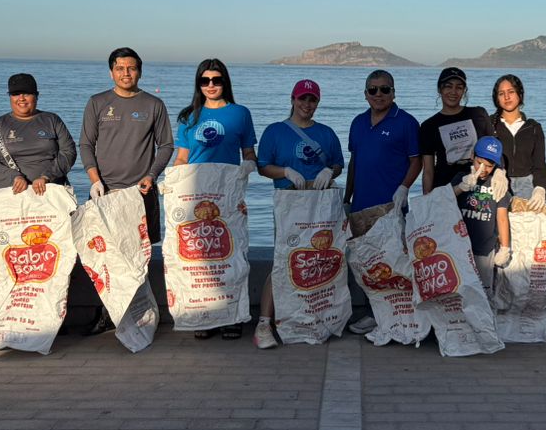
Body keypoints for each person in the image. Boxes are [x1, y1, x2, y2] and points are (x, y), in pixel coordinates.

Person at [252, 79, 345, 350]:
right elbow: (262, 166)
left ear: (318, 103)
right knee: (283, 261)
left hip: (320, 206)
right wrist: (285, 172)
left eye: (312, 100)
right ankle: (264, 324)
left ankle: (311, 315)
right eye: (302, 98)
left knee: (318, 260)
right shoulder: (275, 132)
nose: (307, 104)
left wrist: (331, 171)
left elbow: (337, 163)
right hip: (289, 204)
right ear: (293, 99)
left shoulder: (326, 133)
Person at [169, 59, 257, 339]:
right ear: (198, 84)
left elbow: (249, 153)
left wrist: (249, 166)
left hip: (228, 196)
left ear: (224, 82)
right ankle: (205, 316)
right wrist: (171, 183)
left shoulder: (240, 114)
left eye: (216, 80)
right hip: (195, 195)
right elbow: (182, 157)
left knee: (232, 253)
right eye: (204, 80)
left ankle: (232, 316)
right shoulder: (188, 117)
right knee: (200, 257)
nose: (210, 85)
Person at [79, 47, 173, 245]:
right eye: (120, 68)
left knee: (141, 252)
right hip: (104, 190)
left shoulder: (154, 104)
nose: (126, 73)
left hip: (141, 191)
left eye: (131, 68)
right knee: (103, 251)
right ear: (111, 73)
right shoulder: (97, 102)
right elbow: (86, 144)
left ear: (140, 72)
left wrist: (152, 176)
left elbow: (166, 145)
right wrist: (94, 180)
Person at [344, 70, 422, 231]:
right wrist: (346, 200)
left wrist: (404, 188)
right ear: (365, 94)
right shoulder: (358, 122)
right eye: (373, 90)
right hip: (359, 208)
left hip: (391, 208)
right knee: (359, 255)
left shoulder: (407, 122)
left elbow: (417, 161)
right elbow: (354, 162)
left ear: (393, 93)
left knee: (392, 255)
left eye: (384, 89)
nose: (378, 94)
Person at [0, 73, 77, 193]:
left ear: (37, 96)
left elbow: (69, 151)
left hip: (50, 193)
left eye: (27, 93)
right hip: (11, 194)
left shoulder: (52, 120)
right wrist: (13, 177)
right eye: (16, 94)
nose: (21, 98)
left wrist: (46, 176)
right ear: (10, 97)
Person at [454, 135, 513, 302]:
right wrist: (460, 187)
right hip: (460, 246)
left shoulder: (498, 184)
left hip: (485, 249)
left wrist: (505, 247)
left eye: (489, 166)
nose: (484, 169)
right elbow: (444, 201)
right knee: (459, 291)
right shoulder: (461, 177)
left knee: (483, 293)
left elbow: (502, 218)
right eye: (480, 163)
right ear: (472, 157)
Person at [419, 66, 496, 193]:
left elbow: (493, 149)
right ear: (439, 89)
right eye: (448, 86)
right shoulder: (429, 125)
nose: (453, 92)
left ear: (464, 91)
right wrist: (428, 201)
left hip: (477, 187)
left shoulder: (478, 114)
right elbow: (428, 170)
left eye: (459, 87)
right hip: (446, 188)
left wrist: (499, 173)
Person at [491, 73, 546, 212]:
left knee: (527, 230)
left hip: (526, 185)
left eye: (511, 92)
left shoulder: (533, 127)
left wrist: (540, 188)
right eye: (501, 93)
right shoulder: (489, 124)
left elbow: (539, 164)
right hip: (497, 184)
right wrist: (497, 172)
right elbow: (481, 158)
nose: (507, 97)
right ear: (496, 99)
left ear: (520, 94)